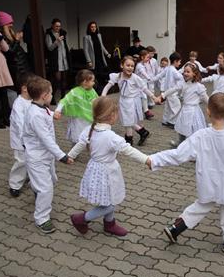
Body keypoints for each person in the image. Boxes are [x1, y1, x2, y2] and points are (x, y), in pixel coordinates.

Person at [147, 93, 224, 253]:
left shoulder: (200, 136)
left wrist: (154, 160)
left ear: (208, 112)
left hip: (207, 182)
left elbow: (178, 154)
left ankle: (176, 227)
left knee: (201, 206)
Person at [68, 97, 150, 236]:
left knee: (109, 198)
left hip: (95, 169)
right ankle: (81, 218)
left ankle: (109, 223)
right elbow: (128, 150)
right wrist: (146, 159)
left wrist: (69, 156)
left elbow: (80, 144)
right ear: (111, 115)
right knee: (110, 203)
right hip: (106, 172)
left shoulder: (90, 129)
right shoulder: (111, 136)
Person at [22, 76, 73, 234]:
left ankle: (36, 189)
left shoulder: (40, 108)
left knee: (50, 180)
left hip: (45, 156)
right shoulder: (35, 115)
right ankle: (42, 218)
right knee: (46, 188)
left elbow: (46, 115)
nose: (52, 95)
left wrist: (54, 115)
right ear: (44, 95)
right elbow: (46, 140)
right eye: (51, 93)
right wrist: (62, 156)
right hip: (37, 157)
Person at [101, 56, 159, 146]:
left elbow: (144, 88)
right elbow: (109, 85)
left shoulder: (135, 78)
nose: (130, 68)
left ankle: (130, 140)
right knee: (126, 121)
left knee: (128, 121)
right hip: (123, 101)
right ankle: (141, 133)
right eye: (128, 65)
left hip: (132, 102)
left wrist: (153, 97)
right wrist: (103, 96)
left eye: (132, 66)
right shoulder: (118, 76)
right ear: (122, 65)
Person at [158, 63, 208, 147]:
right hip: (185, 109)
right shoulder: (183, 83)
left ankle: (193, 148)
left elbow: (206, 99)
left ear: (194, 73)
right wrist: (163, 95)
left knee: (191, 129)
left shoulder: (199, 86)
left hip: (193, 111)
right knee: (182, 126)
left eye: (188, 72)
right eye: (184, 71)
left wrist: (214, 107)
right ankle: (180, 143)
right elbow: (173, 89)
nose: (185, 73)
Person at [9, 73, 36, 198]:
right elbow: (19, 124)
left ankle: (32, 179)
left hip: (32, 140)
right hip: (21, 141)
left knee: (33, 160)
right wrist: (25, 139)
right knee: (22, 162)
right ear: (25, 88)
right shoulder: (18, 104)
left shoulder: (33, 101)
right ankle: (15, 184)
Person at [54, 69, 98, 143]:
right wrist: (58, 110)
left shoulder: (92, 91)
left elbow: (97, 100)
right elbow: (64, 100)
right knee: (77, 137)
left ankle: (92, 152)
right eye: (92, 81)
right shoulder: (75, 92)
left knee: (90, 137)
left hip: (89, 118)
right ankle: (74, 153)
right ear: (85, 82)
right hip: (78, 119)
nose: (94, 82)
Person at [0, 11, 30, 87]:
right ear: (4, 24)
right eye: (9, 23)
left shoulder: (9, 33)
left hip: (21, 65)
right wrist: (17, 40)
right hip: (17, 67)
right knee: (21, 89)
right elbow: (10, 52)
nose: (12, 25)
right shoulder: (1, 37)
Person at [152, 52, 184, 128]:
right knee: (177, 106)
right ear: (175, 61)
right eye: (179, 62)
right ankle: (172, 122)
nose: (180, 63)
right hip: (172, 93)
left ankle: (165, 121)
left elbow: (159, 76)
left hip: (166, 92)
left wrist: (150, 79)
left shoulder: (167, 68)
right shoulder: (175, 71)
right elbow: (181, 79)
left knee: (168, 108)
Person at [45, 18, 70, 104]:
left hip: (64, 59)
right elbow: (49, 48)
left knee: (64, 80)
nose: (58, 28)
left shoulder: (62, 33)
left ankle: (63, 97)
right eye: (56, 26)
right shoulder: (49, 35)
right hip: (56, 61)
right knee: (56, 80)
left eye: (59, 26)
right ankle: (51, 97)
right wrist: (57, 41)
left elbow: (65, 46)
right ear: (52, 25)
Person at [83, 21, 111, 88]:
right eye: (92, 27)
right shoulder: (86, 37)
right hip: (92, 60)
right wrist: (88, 61)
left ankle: (100, 90)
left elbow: (102, 46)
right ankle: (94, 90)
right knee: (93, 76)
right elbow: (85, 50)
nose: (93, 28)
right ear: (89, 28)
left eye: (95, 27)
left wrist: (107, 53)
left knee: (101, 75)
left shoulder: (99, 35)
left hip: (100, 58)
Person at [134, 50, 155, 119]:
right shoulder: (139, 65)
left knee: (143, 97)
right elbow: (144, 73)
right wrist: (149, 78)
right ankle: (145, 112)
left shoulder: (144, 64)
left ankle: (145, 112)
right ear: (142, 57)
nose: (148, 59)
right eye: (147, 57)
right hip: (138, 84)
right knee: (142, 97)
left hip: (143, 83)